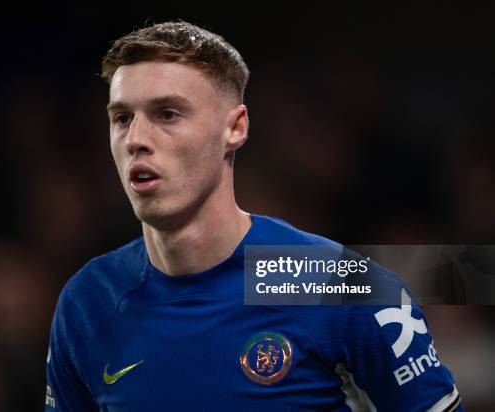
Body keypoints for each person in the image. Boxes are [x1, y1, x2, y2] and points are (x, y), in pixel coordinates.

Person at [45, 21, 462, 411]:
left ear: (236, 128)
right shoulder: (87, 302)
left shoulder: (340, 284)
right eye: (122, 118)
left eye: (167, 114)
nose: (136, 139)